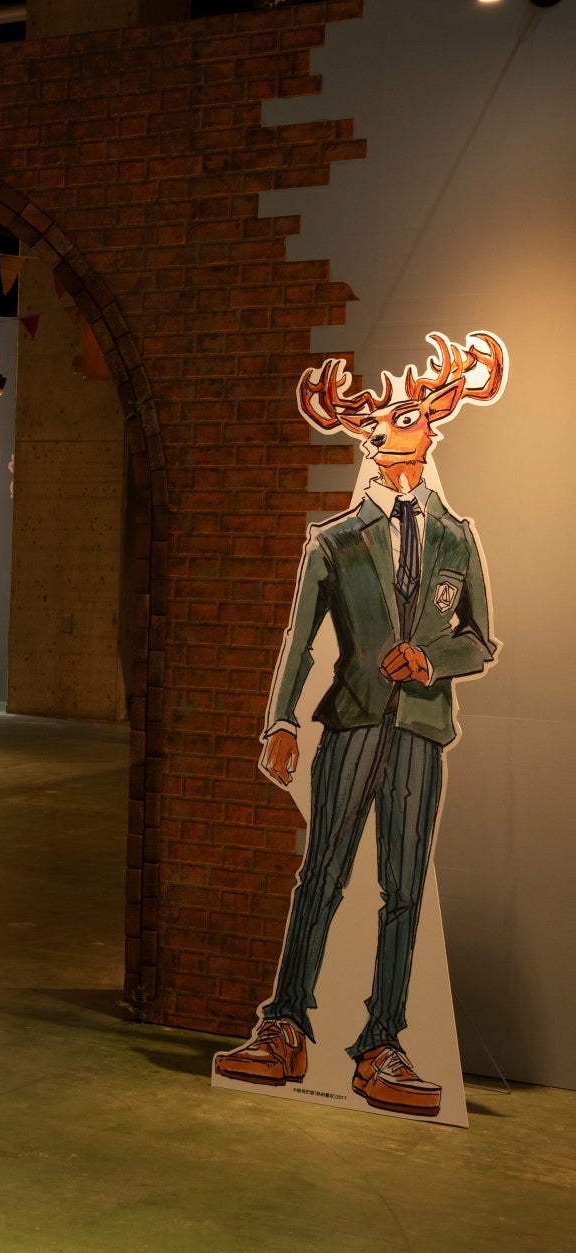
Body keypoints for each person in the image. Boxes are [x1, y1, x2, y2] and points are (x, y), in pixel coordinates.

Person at [215, 332, 504, 1118]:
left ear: (430, 426)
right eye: (372, 420)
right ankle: (284, 1028)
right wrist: (280, 721)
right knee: (323, 873)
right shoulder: (335, 541)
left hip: (420, 732)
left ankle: (383, 1047)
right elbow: (299, 638)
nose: (380, 429)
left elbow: (480, 641)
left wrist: (431, 660)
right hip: (349, 726)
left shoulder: (457, 538)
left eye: (399, 416)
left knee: (404, 886)